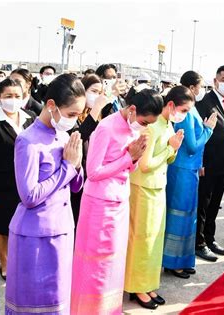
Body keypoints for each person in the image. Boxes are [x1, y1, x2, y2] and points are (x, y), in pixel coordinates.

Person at [71, 89, 161, 314]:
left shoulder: (135, 128)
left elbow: (130, 168)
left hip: (121, 200)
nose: (146, 126)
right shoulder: (106, 127)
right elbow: (93, 171)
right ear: (132, 110)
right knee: (96, 264)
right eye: (144, 121)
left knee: (114, 263)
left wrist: (135, 158)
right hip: (99, 204)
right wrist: (128, 157)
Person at [5, 74, 86, 314]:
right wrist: (68, 168)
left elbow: (74, 187)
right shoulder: (28, 141)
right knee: (32, 304)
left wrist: (78, 166)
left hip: (62, 230)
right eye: (71, 114)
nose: (74, 120)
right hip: (34, 236)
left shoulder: (64, 136)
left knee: (58, 302)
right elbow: (29, 196)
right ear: (51, 105)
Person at [124, 89, 184, 309]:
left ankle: (148, 284)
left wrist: (173, 149)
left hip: (158, 187)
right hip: (143, 188)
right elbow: (146, 164)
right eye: (183, 109)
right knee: (141, 240)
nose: (183, 114)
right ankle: (136, 286)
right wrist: (170, 147)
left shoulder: (168, 125)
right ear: (170, 105)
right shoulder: (151, 126)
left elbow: (167, 159)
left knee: (154, 240)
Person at [163, 83, 217, 278]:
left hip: (191, 169)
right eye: (200, 85)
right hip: (182, 170)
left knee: (188, 216)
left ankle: (183, 259)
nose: (202, 88)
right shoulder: (186, 113)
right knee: (178, 216)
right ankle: (172, 261)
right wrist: (208, 130)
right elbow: (193, 145)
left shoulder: (191, 109)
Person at [0, 79, 36, 281]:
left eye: (17, 96)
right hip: (1, 184)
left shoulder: (31, 119)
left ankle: (21, 261)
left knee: (24, 226)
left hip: (27, 183)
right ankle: (5, 262)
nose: (13, 100)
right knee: (2, 227)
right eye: (8, 96)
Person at [194, 65, 224, 262]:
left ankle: (210, 238)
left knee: (215, 204)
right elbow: (199, 133)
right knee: (203, 204)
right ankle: (199, 242)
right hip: (208, 163)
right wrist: (200, 160)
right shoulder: (205, 103)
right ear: (215, 81)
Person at [69, 74, 110, 225]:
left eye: (100, 93)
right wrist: (97, 107)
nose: (97, 97)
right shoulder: (74, 114)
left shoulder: (100, 116)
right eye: (93, 91)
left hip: (91, 177)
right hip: (75, 179)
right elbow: (79, 137)